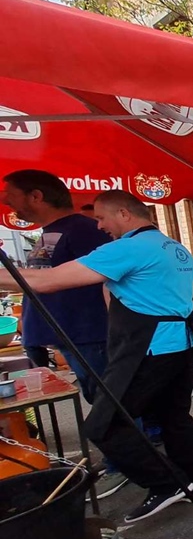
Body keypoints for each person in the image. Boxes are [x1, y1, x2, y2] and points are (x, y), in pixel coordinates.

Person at [0, 189, 193, 524]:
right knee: (174, 418)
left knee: (104, 424)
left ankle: (169, 483)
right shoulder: (173, 246)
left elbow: (48, 281)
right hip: (182, 343)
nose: (98, 226)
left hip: (150, 348)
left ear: (124, 215)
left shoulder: (128, 248)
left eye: (101, 217)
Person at [1, 170, 137, 498]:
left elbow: (101, 280)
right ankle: (123, 459)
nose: (6, 203)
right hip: (64, 335)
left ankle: (130, 463)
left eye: (11, 196)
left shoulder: (83, 230)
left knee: (109, 401)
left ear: (37, 196)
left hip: (89, 332)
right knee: (98, 398)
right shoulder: (51, 233)